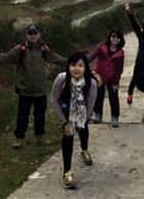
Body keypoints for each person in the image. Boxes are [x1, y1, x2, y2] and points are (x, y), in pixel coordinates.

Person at [0, 24, 66, 148]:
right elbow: (5, 57)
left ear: (39, 34)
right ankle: (19, 139)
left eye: (35, 33)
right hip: (25, 90)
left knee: (40, 115)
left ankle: (40, 137)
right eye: (30, 33)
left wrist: (72, 60)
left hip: (40, 89)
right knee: (22, 116)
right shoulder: (20, 49)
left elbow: (56, 58)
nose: (33, 36)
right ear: (26, 35)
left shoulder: (43, 49)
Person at [50, 52, 98, 189]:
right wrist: (65, 122)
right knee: (68, 137)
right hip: (66, 112)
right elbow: (53, 99)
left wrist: (82, 120)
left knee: (83, 130)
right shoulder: (61, 79)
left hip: (83, 112)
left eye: (80, 65)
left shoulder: (92, 83)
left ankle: (84, 149)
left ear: (85, 68)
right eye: (73, 65)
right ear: (68, 66)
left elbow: (90, 104)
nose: (76, 68)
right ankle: (67, 172)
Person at [88, 28, 125, 127]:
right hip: (99, 76)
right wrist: (82, 62)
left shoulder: (121, 53)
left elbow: (119, 69)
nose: (115, 39)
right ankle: (98, 116)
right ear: (109, 37)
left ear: (120, 40)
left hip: (112, 78)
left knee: (114, 98)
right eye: (113, 36)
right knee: (98, 97)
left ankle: (115, 118)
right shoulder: (102, 47)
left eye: (118, 37)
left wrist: (116, 83)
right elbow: (91, 56)